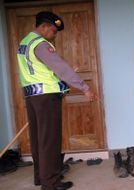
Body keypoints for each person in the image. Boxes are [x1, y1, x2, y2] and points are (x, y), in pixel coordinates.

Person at [16, 11, 97, 190]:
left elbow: (38, 72)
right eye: (53, 31)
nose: (54, 35)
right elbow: (61, 68)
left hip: (32, 97)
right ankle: (50, 184)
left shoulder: (24, 43)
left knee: (39, 140)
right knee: (49, 141)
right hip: (46, 99)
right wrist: (85, 87)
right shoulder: (40, 44)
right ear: (44, 27)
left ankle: (41, 177)